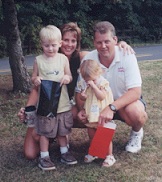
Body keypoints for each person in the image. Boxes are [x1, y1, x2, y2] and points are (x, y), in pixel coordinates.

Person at [18, 22, 134, 161]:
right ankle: (51, 135)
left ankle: (92, 147)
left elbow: (102, 48)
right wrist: (27, 109)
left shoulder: (83, 58)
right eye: (66, 40)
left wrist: (121, 44)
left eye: (73, 41)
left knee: (72, 114)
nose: (69, 44)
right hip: (47, 108)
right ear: (59, 41)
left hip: (66, 107)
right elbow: (36, 89)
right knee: (30, 153)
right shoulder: (44, 60)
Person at [76, 21, 148, 154]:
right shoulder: (89, 59)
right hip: (98, 105)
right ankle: (101, 147)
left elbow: (136, 92)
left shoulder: (127, 54)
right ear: (94, 42)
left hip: (123, 104)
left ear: (115, 40)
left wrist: (112, 107)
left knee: (136, 113)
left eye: (107, 41)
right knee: (75, 115)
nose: (103, 46)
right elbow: (79, 91)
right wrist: (82, 109)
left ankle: (136, 133)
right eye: (99, 42)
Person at [29, 25, 78, 170]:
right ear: (41, 45)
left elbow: (69, 75)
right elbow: (33, 77)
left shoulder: (63, 59)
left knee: (62, 130)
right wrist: (36, 80)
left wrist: (67, 78)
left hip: (62, 104)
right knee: (45, 131)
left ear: (60, 44)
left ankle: (65, 152)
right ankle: (44, 156)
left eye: (54, 45)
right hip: (45, 104)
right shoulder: (38, 60)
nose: (50, 49)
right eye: (46, 45)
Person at [78, 59, 116, 167]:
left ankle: (109, 156)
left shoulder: (102, 83)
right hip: (91, 114)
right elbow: (82, 98)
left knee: (104, 135)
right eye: (86, 80)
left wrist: (94, 86)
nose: (89, 82)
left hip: (102, 114)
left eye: (92, 80)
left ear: (98, 73)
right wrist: (82, 96)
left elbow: (101, 96)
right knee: (92, 134)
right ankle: (95, 152)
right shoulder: (85, 84)